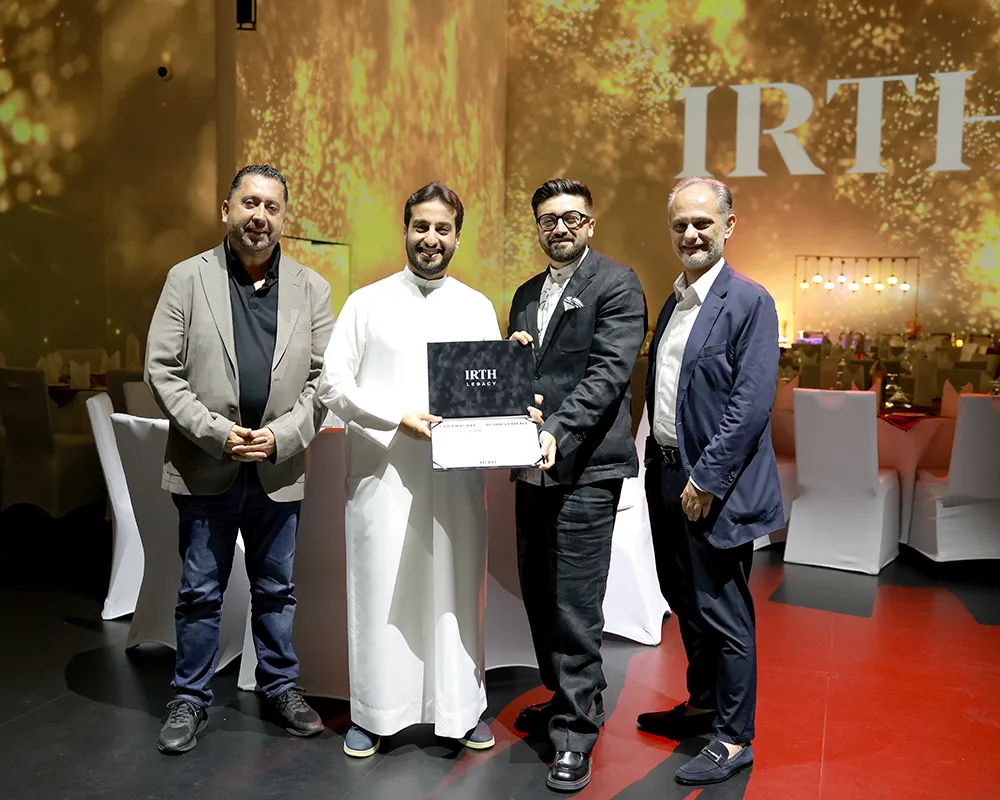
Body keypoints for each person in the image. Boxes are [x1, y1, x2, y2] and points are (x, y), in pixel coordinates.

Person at [318, 182, 530, 758]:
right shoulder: (366, 302)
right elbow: (332, 383)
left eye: (442, 229)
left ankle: (461, 709)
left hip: (455, 481)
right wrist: (396, 417)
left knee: (455, 592)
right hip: (382, 477)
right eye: (421, 227)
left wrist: (514, 377)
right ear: (405, 230)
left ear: (457, 236)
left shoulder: (476, 306)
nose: (430, 238)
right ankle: (373, 714)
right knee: (380, 592)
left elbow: (488, 396)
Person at [145, 164, 335, 753]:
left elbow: (323, 380)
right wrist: (218, 433)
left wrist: (280, 436)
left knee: (276, 588)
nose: (260, 216)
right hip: (207, 462)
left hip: (278, 465)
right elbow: (162, 370)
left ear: (284, 218)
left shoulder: (312, 287)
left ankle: (280, 687)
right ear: (226, 209)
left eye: (272, 207)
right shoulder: (186, 278)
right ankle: (189, 697)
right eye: (250, 203)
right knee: (200, 591)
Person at [637, 176, 783, 786]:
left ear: (729, 225)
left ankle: (733, 736)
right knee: (683, 599)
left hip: (710, 487)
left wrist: (707, 479)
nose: (691, 234)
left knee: (724, 613)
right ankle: (702, 706)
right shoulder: (675, 302)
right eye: (681, 225)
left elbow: (750, 404)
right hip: (666, 474)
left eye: (703, 222)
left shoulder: (750, 301)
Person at [507, 178, 647, 792]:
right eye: (547, 219)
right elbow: (519, 377)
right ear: (538, 227)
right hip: (529, 466)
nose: (558, 228)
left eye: (570, 217)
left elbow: (609, 374)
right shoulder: (524, 293)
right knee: (538, 591)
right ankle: (568, 697)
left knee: (575, 602)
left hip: (586, 468)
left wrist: (557, 431)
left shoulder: (617, 284)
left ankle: (574, 735)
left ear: (589, 223)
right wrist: (508, 365)